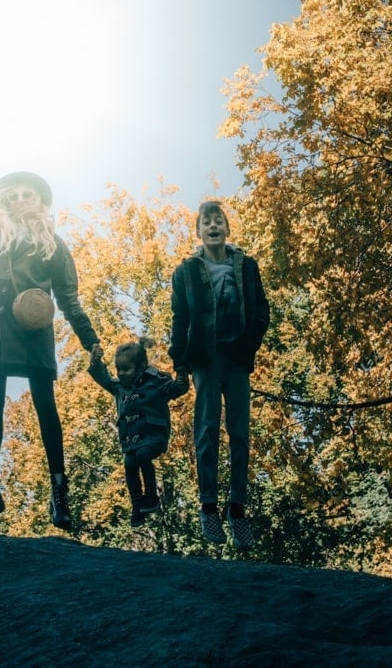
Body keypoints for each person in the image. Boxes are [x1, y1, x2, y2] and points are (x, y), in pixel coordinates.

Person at [0, 128, 101, 532]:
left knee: (46, 405)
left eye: (27, 193)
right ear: (2, 201)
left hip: (34, 326)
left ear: (40, 201)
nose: (19, 198)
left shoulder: (55, 244)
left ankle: (59, 492)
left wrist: (92, 341)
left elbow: (70, 299)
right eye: (11, 194)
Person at [169, 200, 269, 549]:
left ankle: (237, 509)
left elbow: (261, 311)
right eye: (206, 222)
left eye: (218, 221)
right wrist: (179, 362)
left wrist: (249, 344)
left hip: (237, 360)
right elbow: (180, 318)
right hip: (206, 361)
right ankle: (209, 507)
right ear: (199, 232)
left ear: (227, 229)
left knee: (240, 434)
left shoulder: (246, 265)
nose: (213, 226)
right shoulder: (186, 272)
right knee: (207, 432)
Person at [88, 340, 188, 525]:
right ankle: (137, 505)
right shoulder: (119, 387)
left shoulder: (156, 382)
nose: (121, 373)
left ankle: (151, 495)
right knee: (129, 463)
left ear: (141, 366)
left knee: (143, 455)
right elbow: (103, 377)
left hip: (153, 435)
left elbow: (177, 389)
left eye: (126, 368)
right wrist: (96, 362)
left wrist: (182, 374)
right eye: (118, 369)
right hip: (130, 438)